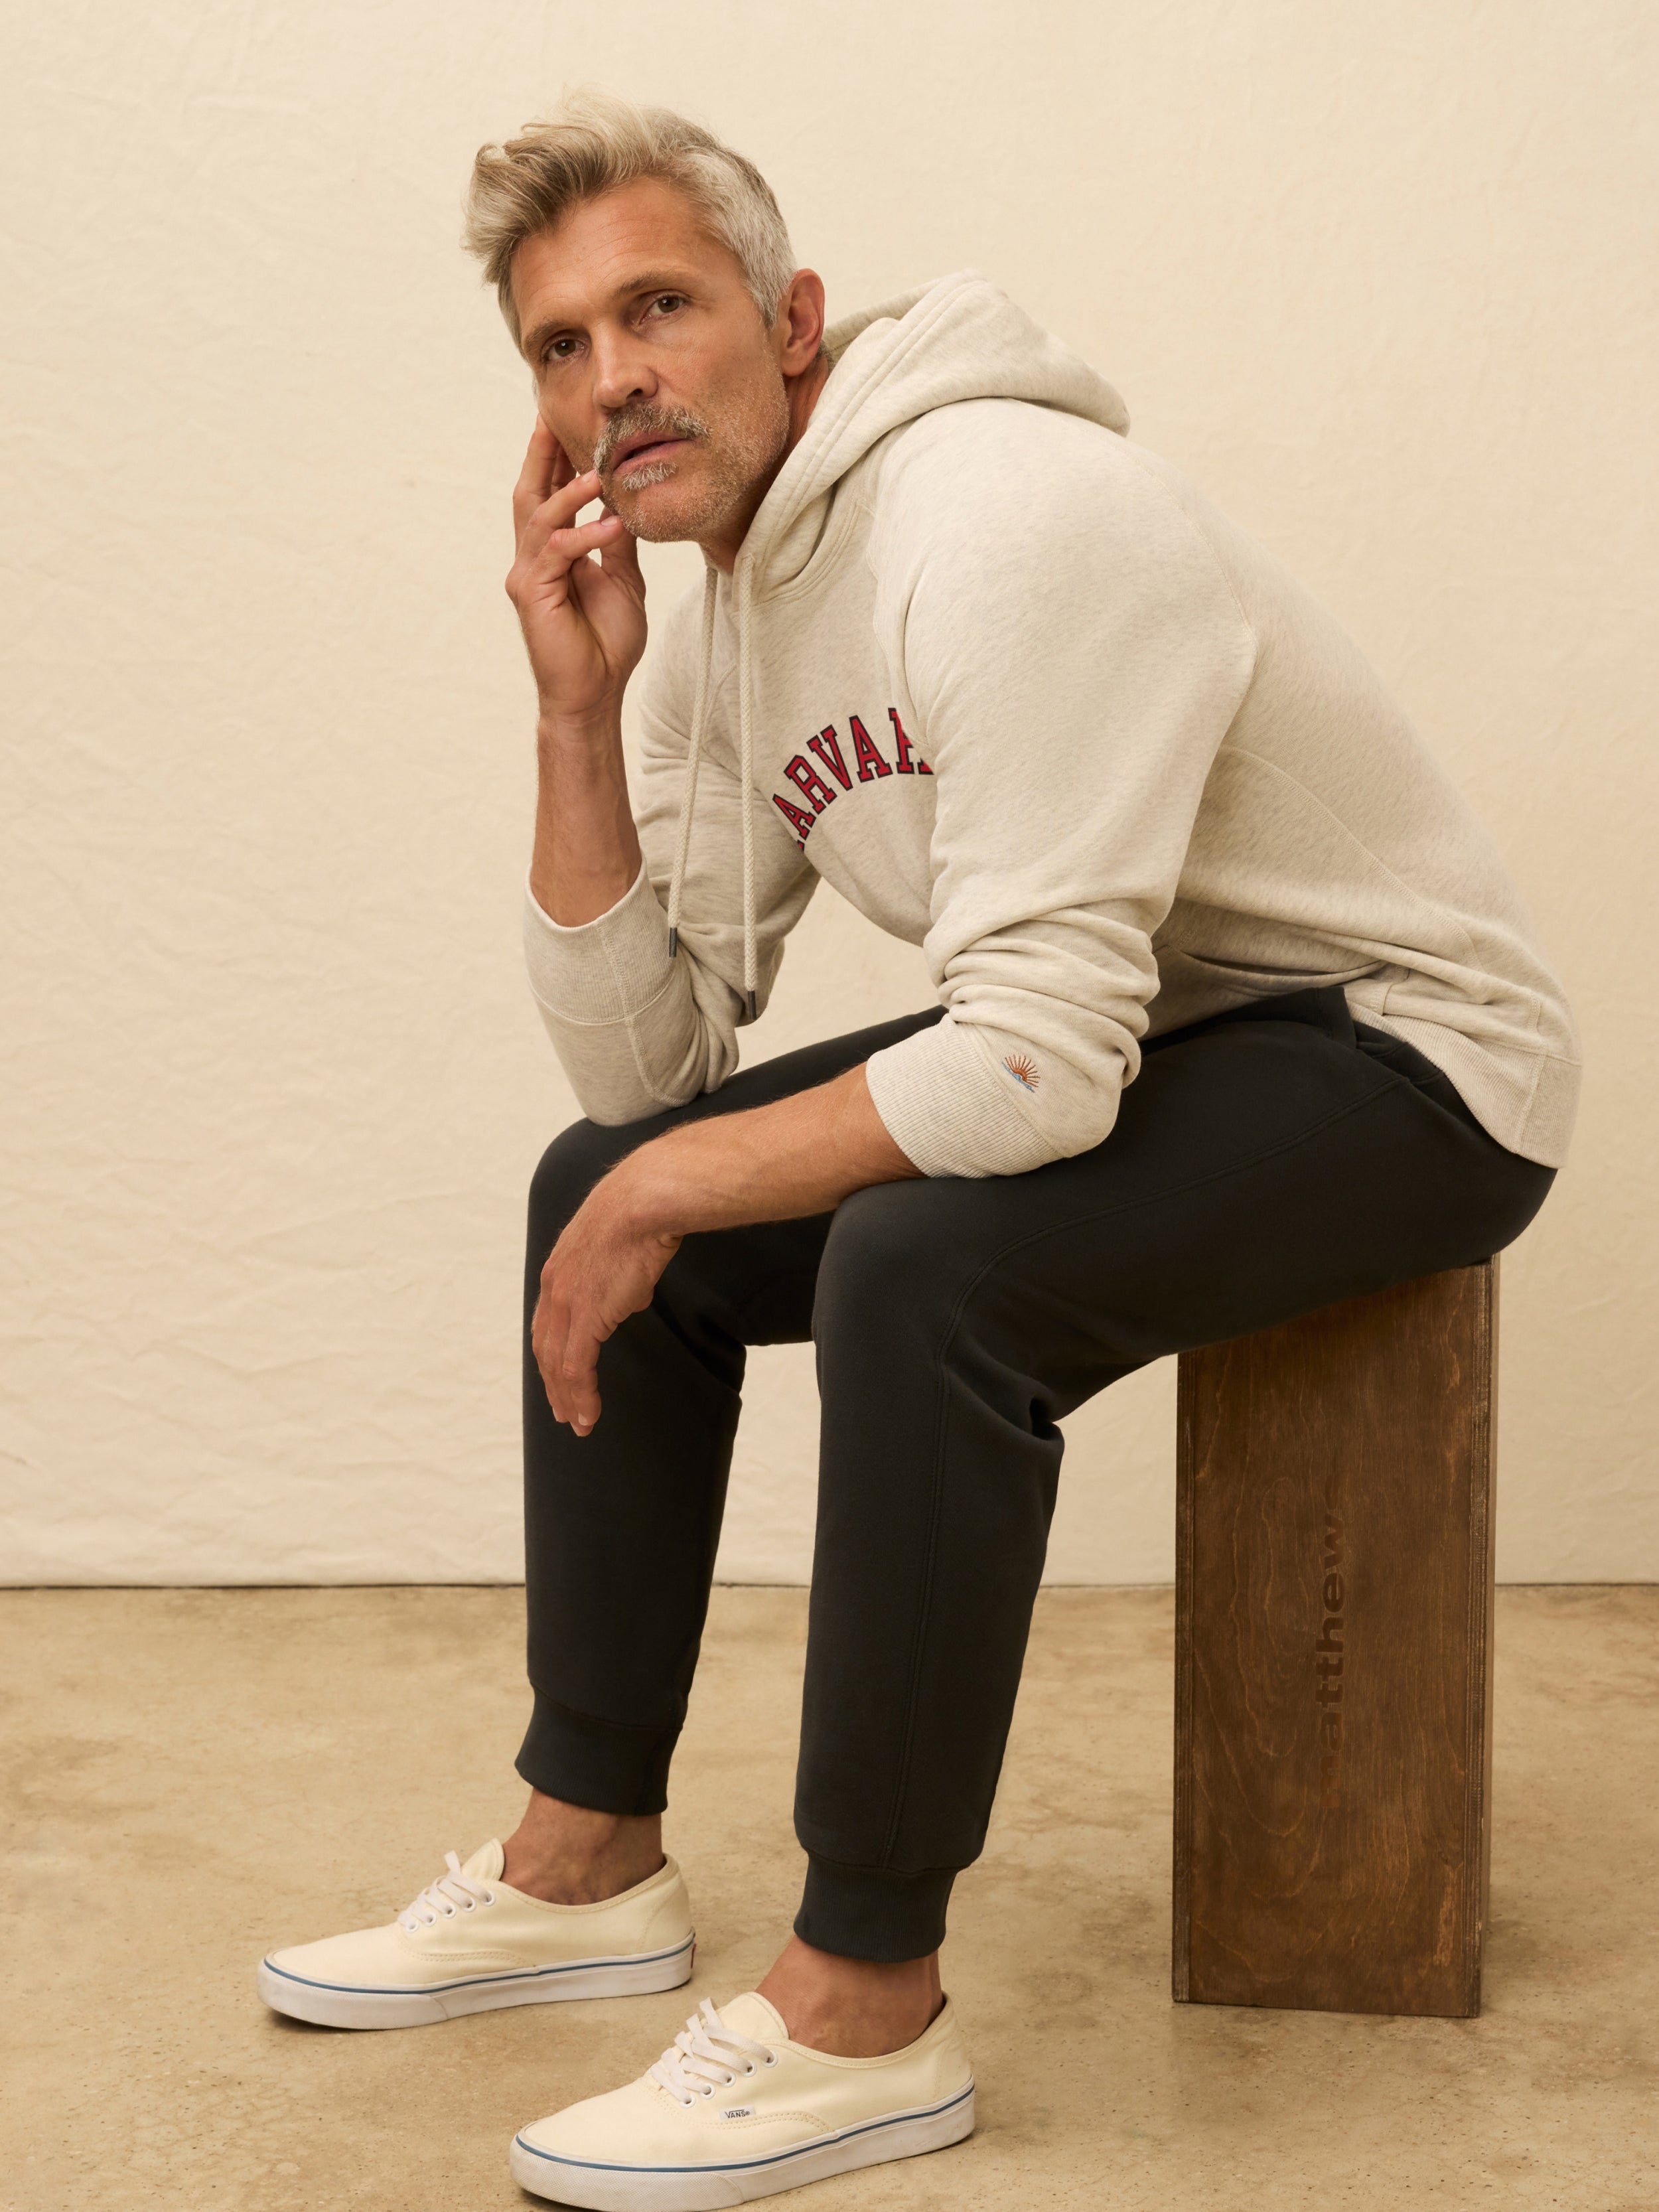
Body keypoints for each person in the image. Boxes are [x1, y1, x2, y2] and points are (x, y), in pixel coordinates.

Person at [255, 91, 1580, 2209]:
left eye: (658, 310)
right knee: (592, 1185)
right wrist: (577, 715)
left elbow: (1030, 1075)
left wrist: (668, 1186)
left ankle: (864, 2006)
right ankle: (585, 1855)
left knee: (914, 1264)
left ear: (789, 323)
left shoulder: (1010, 519)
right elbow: (646, 1072)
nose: (611, 381)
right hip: (1158, 1030)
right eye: (559, 347)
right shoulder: (725, 613)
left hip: (1406, 1053)